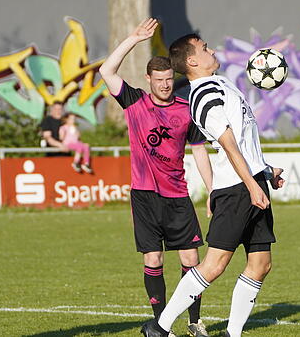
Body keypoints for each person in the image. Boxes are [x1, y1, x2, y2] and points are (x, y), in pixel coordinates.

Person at [141, 32, 285, 337]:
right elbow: (227, 143)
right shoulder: (203, 94)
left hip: (252, 181)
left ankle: (232, 334)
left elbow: (243, 141)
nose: (212, 50)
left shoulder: (221, 83)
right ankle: (159, 326)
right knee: (215, 264)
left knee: (261, 264)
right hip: (237, 189)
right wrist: (251, 184)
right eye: (205, 48)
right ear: (192, 60)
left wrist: (266, 171)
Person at [99, 18, 214, 337]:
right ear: (148, 78)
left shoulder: (186, 109)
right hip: (145, 196)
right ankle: (162, 325)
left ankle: (194, 321)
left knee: (192, 258)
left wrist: (212, 191)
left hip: (178, 196)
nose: (164, 84)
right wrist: (133, 39)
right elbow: (105, 72)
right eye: (158, 79)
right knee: (153, 258)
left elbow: (200, 152)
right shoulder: (134, 101)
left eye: (168, 79)